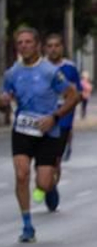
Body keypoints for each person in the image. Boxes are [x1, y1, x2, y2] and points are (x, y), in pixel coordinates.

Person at [0, 26, 79, 243]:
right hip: (22, 129)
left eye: (28, 42)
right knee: (21, 174)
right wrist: (3, 102)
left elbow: (74, 96)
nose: (24, 46)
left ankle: (49, 187)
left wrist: (54, 117)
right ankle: (27, 225)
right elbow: (4, 97)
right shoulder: (12, 73)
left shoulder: (50, 71)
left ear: (37, 45)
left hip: (47, 131)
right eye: (20, 43)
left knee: (43, 183)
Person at [44, 31, 81, 184]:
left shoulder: (70, 68)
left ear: (62, 48)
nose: (53, 49)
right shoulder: (40, 67)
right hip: (42, 117)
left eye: (56, 46)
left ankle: (50, 187)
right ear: (45, 48)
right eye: (50, 46)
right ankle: (45, 181)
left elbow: (77, 94)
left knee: (54, 159)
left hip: (63, 119)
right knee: (42, 158)